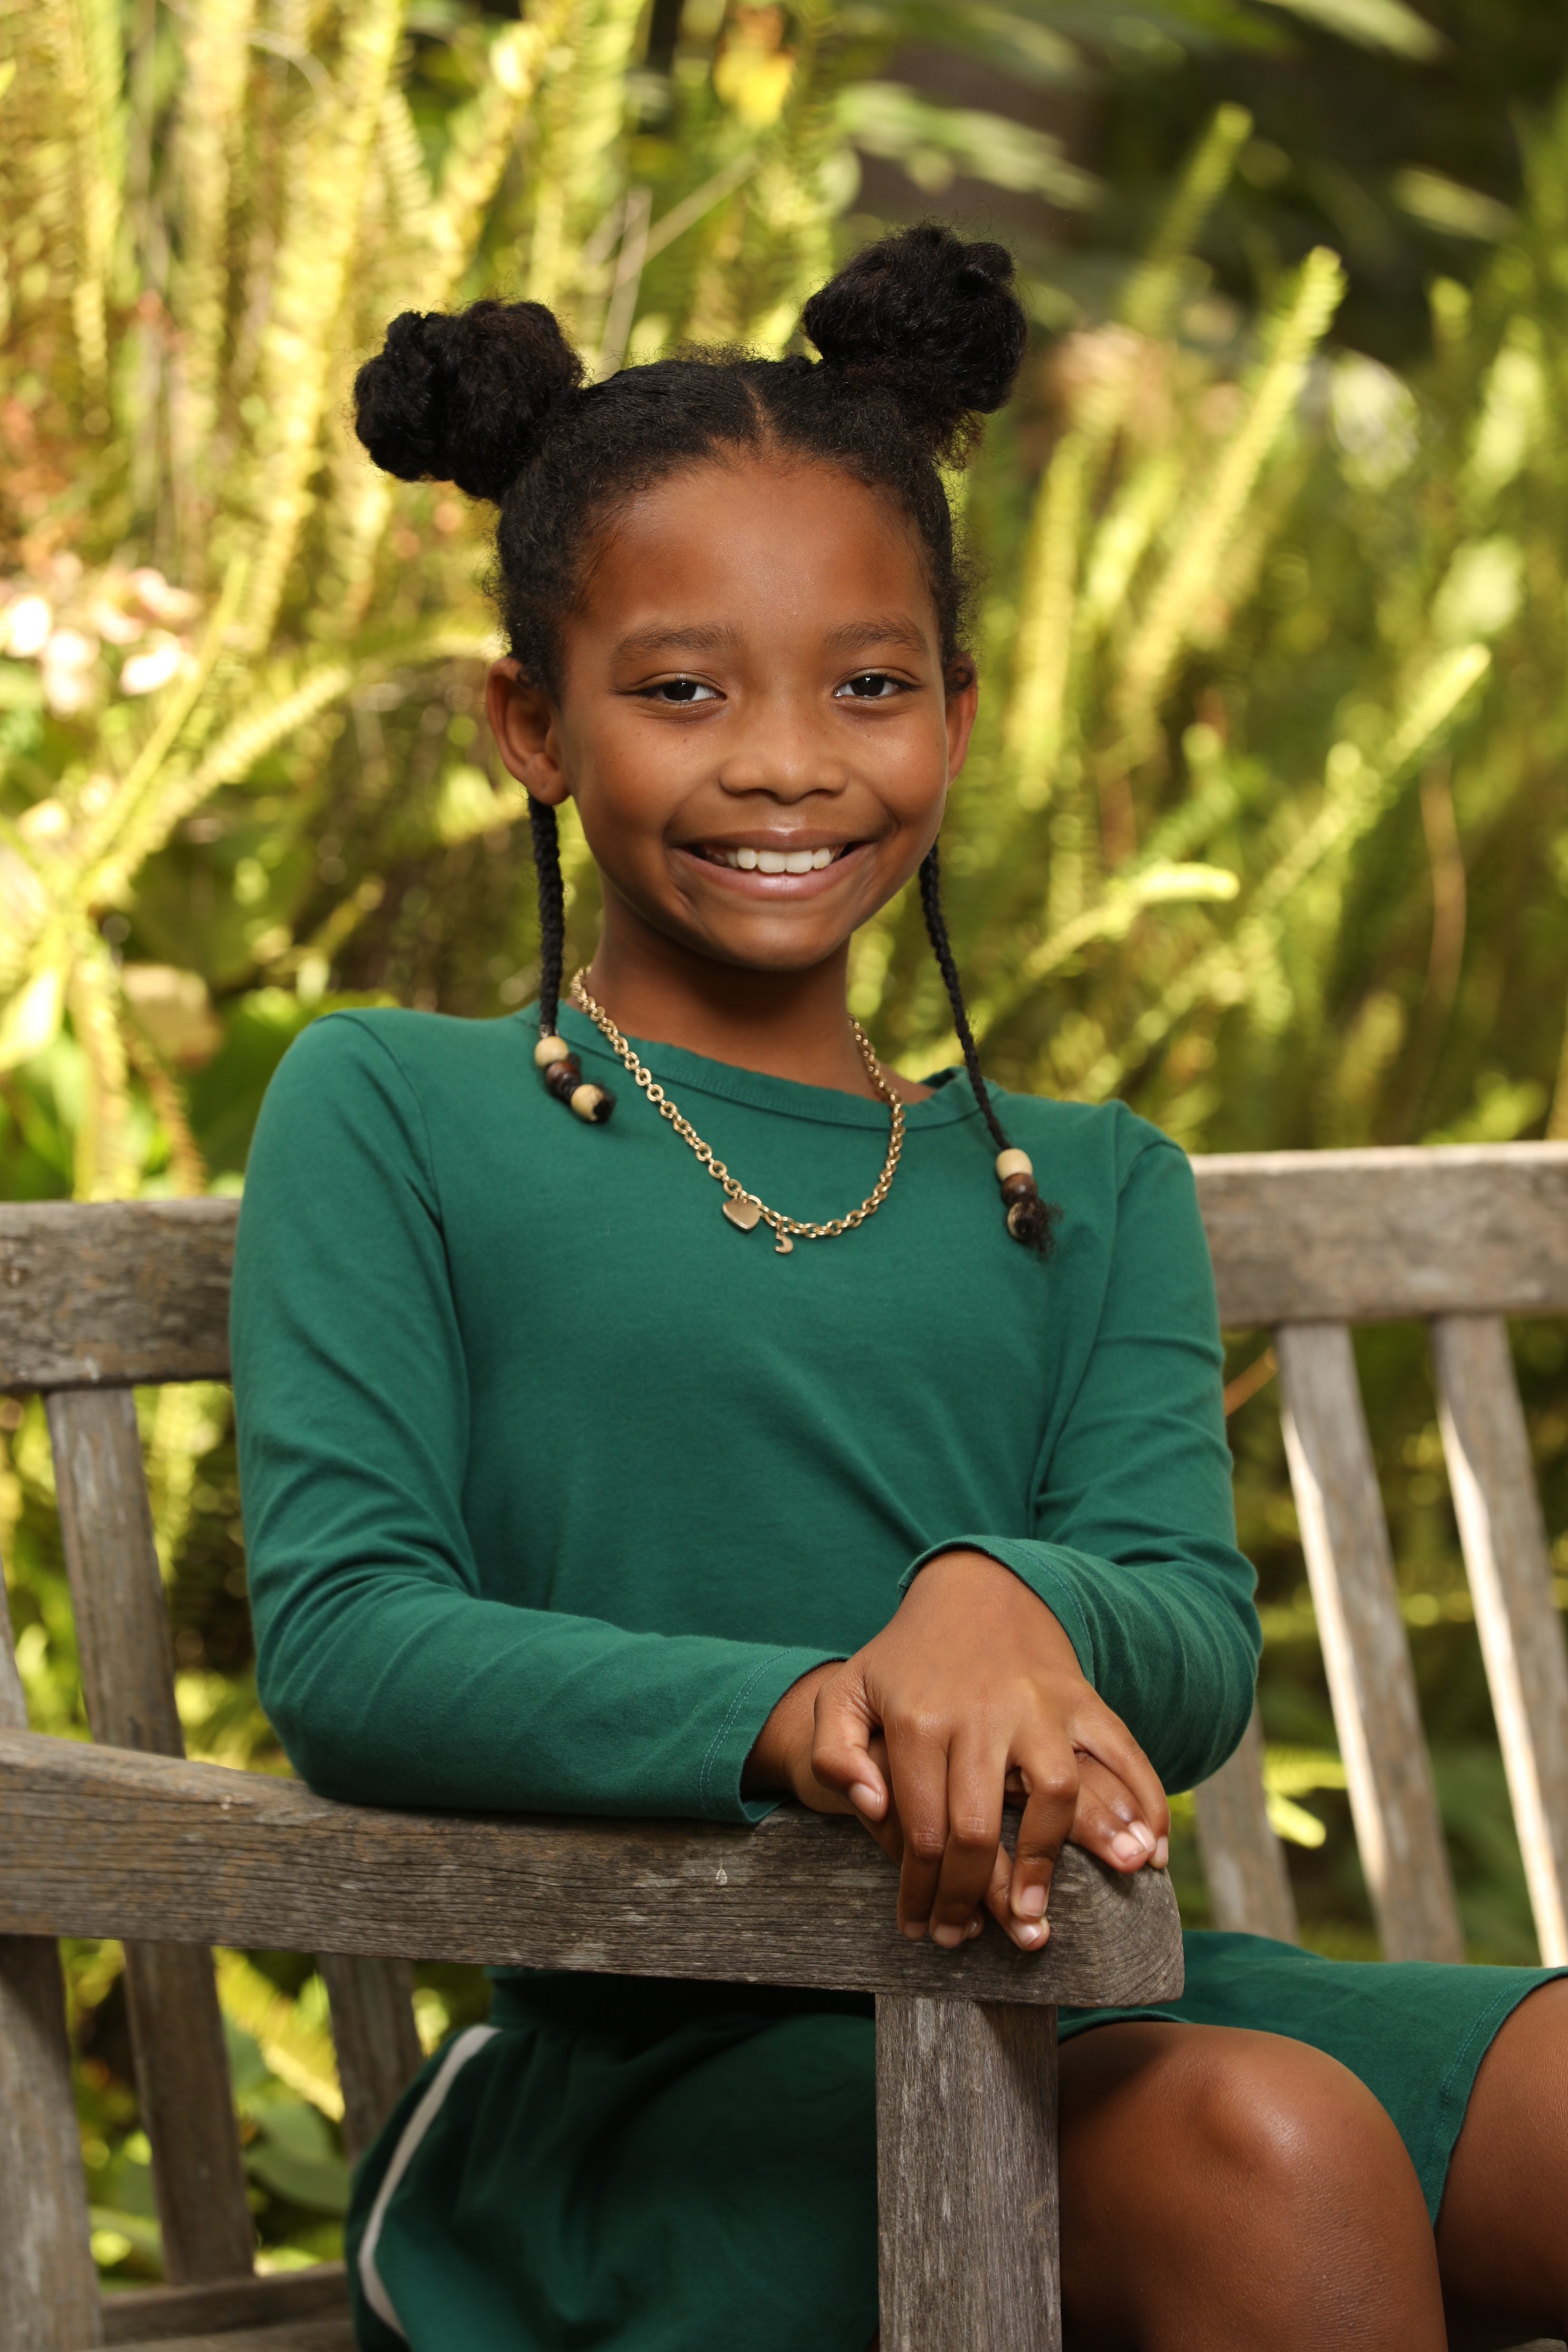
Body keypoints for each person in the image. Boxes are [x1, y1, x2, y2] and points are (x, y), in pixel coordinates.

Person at [230, 224, 1568, 2352]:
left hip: (1075, 1990)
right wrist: (809, 1713)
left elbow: (1183, 1635)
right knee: (1269, 2149)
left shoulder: (1086, 1182)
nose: (787, 760)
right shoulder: (397, 1108)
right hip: (665, 2066)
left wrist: (1001, 1603)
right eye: (682, 690)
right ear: (534, 724)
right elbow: (352, 1641)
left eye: (868, 686)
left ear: (956, 714)